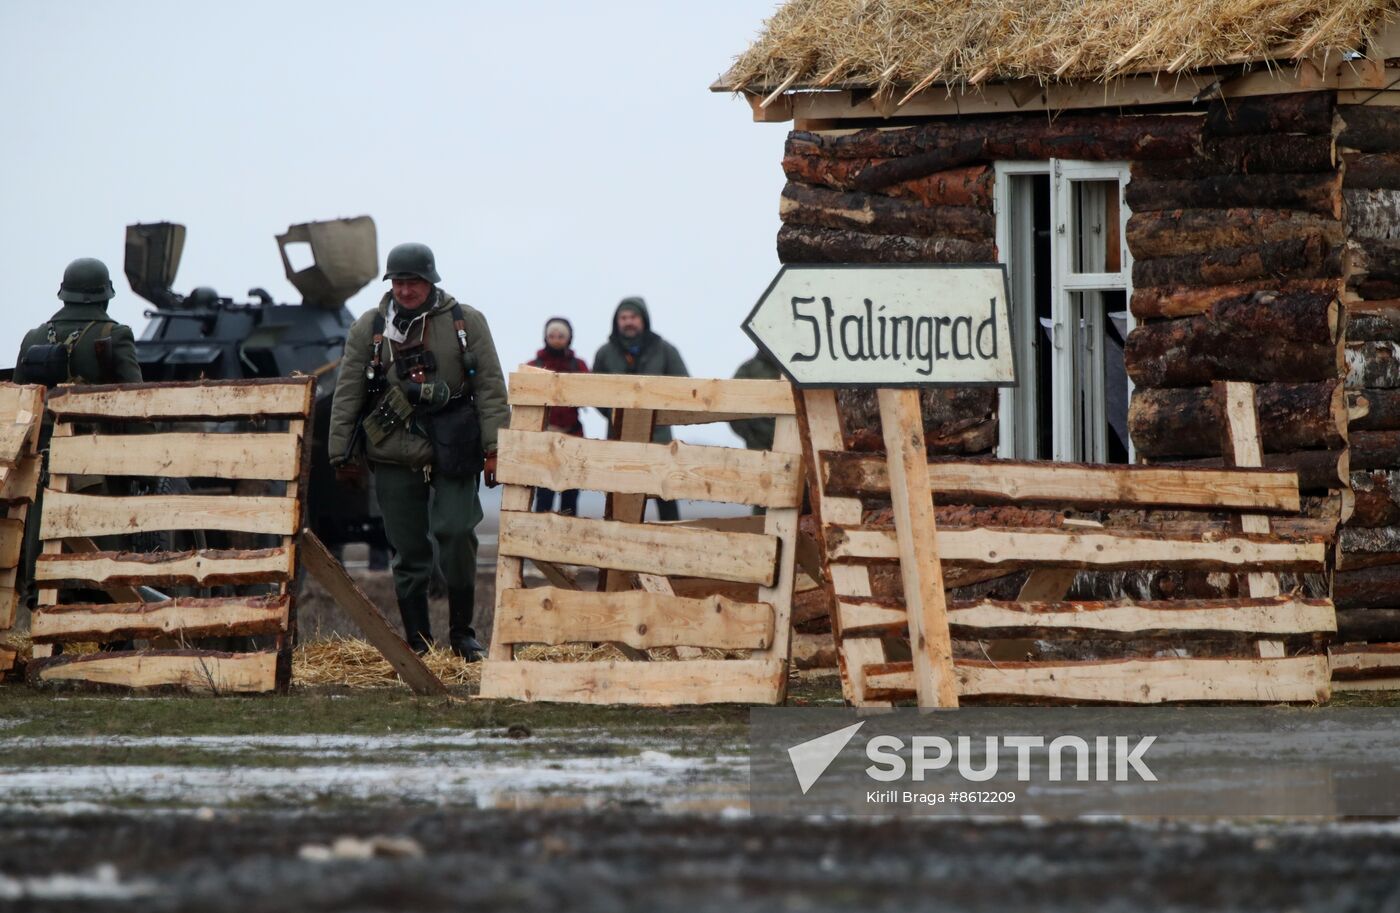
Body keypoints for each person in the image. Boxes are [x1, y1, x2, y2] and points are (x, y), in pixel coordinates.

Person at [328, 242, 508, 660]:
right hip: (393, 448)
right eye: (399, 281)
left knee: (458, 531)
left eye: (414, 282)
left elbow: (491, 390)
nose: (406, 290)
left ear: (430, 281)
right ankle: (419, 645)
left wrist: (496, 447)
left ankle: (464, 635)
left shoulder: (467, 322)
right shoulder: (369, 328)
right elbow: (348, 393)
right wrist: (342, 453)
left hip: (457, 444)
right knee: (408, 550)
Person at [14, 258, 143, 642]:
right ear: (104, 294)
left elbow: (23, 405)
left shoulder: (33, 336)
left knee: (45, 558)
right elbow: (138, 406)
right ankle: (110, 644)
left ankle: (48, 642)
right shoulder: (114, 335)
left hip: (41, 468)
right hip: (97, 468)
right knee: (103, 562)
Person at [592, 296, 688, 521]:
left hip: (658, 437)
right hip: (619, 438)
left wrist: (661, 415)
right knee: (619, 496)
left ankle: (673, 541)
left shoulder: (664, 350)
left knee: (666, 494)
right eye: (623, 318)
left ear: (643, 319)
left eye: (633, 317)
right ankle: (618, 541)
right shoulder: (605, 353)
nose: (628, 322)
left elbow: (685, 386)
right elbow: (594, 391)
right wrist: (614, 414)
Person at [14, 258, 142, 386]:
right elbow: (137, 394)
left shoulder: (32, 337)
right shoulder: (116, 335)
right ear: (105, 297)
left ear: (64, 295)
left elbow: (14, 393)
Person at [529, 317, 588, 516]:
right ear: (545, 337)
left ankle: (569, 538)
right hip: (544, 439)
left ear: (569, 338)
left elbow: (592, 393)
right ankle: (540, 539)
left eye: (561, 336)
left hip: (572, 437)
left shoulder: (578, 366)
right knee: (544, 494)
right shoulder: (534, 366)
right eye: (552, 335)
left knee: (570, 495)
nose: (556, 339)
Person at [728, 349, 781, 452]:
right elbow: (731, 407)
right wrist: (752, 437)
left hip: (797, 443)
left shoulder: (796, 369)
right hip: (760, 448)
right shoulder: (749, 369)